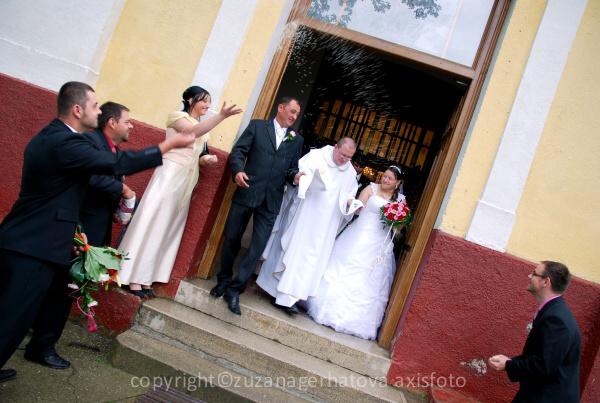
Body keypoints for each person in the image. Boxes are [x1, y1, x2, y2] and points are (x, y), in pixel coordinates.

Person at [0, 81, 194, 382]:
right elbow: (114, 163)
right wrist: (166, 146)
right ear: (78, 110)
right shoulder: (64, 142)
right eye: (94, 106)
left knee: (15, 315)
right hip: (32, 245)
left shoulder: (57, 136)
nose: (99, 111)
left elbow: (62, 196)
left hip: (34, 238)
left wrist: (74, 234)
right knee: (10, 317)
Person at [118, 86, 241, 298]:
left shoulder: (204, 130)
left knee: (165, 228)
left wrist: (207, 159)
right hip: (168, 175)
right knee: (152, 221)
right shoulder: (178, 117)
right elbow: (191, 133)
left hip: (185, 181)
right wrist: (221, 116)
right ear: (190, 100)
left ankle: (146, 277)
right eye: (204, 100)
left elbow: (200, 153)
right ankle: (130, 275)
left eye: (209, 102)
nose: (207, 105)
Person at [210, 97, 304, 315]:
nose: (294, 116)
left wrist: (295, 176)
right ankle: (223, 280)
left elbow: (291, 169)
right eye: (291, 111)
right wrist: (237, 171)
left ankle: (235, 289)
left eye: (297, 114)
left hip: (271, 201)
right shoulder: (257, 127)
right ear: (280, 108)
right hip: (247, 190)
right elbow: (238, 151)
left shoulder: (296, 140)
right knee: (232, 238)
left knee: (257, 247)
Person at [257, 137, 358, 313]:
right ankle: (275, 291)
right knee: (292, 251)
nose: (344, 160)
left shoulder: (349, 172)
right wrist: (308, 181)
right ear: (336, 147)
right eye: (343, 155)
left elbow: (349, 194)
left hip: (325, 226)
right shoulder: (317, 156)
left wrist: (351, 203)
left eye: (349, 157)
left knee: (309, 261)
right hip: (304, 215)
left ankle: (292, 298)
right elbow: (299, 177)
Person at [307, 166, 404, 339]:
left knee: (371, 278)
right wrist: (354, 205)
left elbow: (400, 226)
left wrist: (395, 223)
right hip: (360, 235)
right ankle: (327, 310)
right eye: (385, 176)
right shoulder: (371, 189)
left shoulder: (400, 201)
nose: (385, 180)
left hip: (379, 244)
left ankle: (357, 321)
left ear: (398, 183)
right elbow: (357, 207)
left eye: (390, 178)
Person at [489, 261, 581, 402]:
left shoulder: (556, 320)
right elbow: (541, 357)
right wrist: (510, 362)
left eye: (534, 273)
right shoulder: (554, 310)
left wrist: (508, 365)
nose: (529, 276)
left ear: (545, 282)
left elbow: (544, 366)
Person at [80, 102, 136, 247]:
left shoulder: (115, 151)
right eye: (127, 122)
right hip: (81, 228)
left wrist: (114, 209)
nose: (131, 126)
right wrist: (123, 189)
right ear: (112, 123)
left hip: (99, 228)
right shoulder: (90, 141)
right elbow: (91, 176)